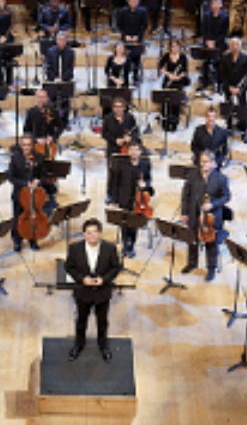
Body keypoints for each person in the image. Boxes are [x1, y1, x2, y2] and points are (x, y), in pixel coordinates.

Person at [66, 218, 121, 363]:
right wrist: (81, 279)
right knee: (81, 321)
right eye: (88, 233)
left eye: (95, 232)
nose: (92, 236)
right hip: (82, 291)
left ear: (100, 233)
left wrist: (104, 279)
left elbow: (116, 268)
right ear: (84, 234)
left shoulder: (110, 248)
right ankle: (78, 345)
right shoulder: (75, 248)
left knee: (102, 322)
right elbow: (69, 267)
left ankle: (103, 346)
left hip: (102, 292)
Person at [179, 151, 230, 281]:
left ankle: (211, 268)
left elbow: (226, 197)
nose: (203, 164)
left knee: (210, 243)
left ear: (213, 163)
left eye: (206, 162)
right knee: (192, 239)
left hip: (211, 217)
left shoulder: (221, 178)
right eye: (201, 161)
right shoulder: (193, 175)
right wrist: (184, 212)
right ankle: (192, 262)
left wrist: (213, 204)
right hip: (194, 213)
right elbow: (186, 195)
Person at [110, 141, 152, 257]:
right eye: (131, 150)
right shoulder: (120, 164)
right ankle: (125, 245)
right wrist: (114, 200)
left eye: (136, 149)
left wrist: (145, 184)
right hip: (124, 198)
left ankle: (132, 246)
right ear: (128, 151)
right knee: (124, 224)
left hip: (139, 200)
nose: (134, 152)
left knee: (135, 224)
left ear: (140, 151)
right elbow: (115, 183)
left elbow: (149, 179)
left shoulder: (145, 164)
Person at [197, 0, 230, 90]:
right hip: (207, 42)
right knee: (205, 62)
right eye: (214, 4)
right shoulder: (207, 15)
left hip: (219, 43)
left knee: (219, 63)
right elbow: (203, 30)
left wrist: (215, 42)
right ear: (211, 5)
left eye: (217, 4)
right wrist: (208, 41)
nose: (215, 6)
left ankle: (219, 84)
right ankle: (204, 82)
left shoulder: (225, 17)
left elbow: (224, 33)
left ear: (221, 5)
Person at [157, 40, 190, 131]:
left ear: (179, 47)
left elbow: (185, 71)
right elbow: (160, 67)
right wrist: (169, 74)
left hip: (178, 82)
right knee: (166, 102)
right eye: (172, 46)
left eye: (176, 46)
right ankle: (165, 123)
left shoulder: (183, 57)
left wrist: (178, 77)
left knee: (176, 102)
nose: (174, 48)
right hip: (168, 81)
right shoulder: (166, 56)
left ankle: (174, 123)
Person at [220, 38, 247, 132]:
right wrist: (229, 87)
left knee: (242, 107)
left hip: (240, 88)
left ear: (240, 46)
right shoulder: (225, 57)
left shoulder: (245, 58)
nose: (235, 46)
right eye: (233, 45)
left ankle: (242, 126)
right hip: (228, 87)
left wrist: (239, 88)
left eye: (237, 44)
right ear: (230, 46)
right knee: (229, 106)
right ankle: (229, 126)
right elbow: (222, 74)